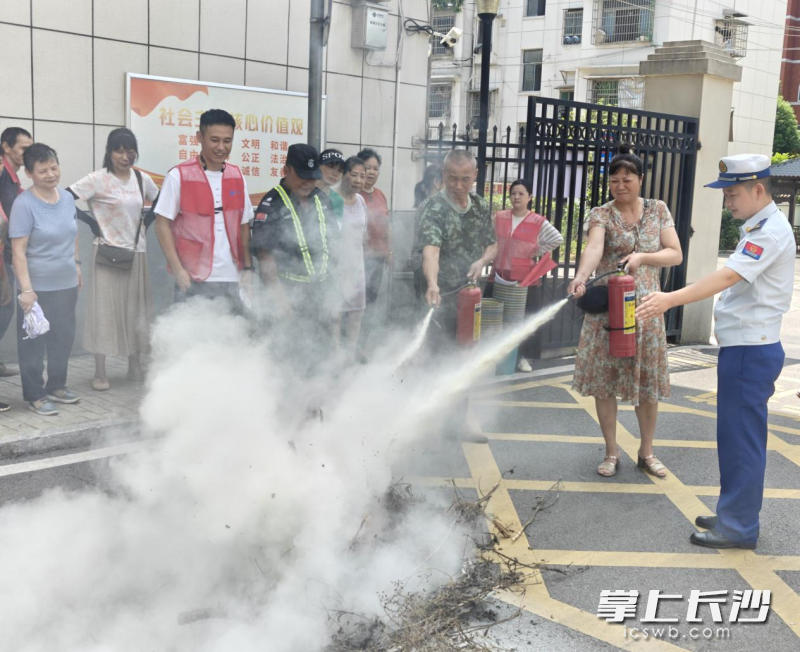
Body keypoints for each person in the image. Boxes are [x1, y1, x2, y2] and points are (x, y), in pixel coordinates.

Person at [637, 154, 793, 550]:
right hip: (745, 349)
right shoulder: (759, 226)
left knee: (741, 441)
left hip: (750, 352)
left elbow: (727, 276)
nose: (728, 202)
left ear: (759, 189)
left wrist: (669, 299)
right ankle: (732, 513)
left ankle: (739, 527)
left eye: (733, 193)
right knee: (734, 438)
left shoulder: (768, 232)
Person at [567, 144, 683, 478]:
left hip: (646, 309)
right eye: (614, 179)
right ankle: (611, 452)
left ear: (640, 180)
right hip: (609, 312)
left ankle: (646, 452)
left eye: (627, 178)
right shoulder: (600, 214)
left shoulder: (658, 210)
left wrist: (643, 257)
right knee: (605, 382)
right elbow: (594, 247)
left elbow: (674, 253)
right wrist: (580, 276)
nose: (620, 184)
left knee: (646, 383)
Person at [69, 128, 159, 391]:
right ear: (109, 152)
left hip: (136, 253)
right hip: (106, 253)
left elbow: (162, 200)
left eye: (130, 150)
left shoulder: (142, 179)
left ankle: (135, 365)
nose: (125, 156)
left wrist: (148, 222)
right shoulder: (97, 179)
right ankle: (100, 372)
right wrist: (90, 222)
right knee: (103, 312)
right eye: (119, 150)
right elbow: (64, 197)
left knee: (136, 311)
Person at [419, 149, 498, 443]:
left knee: (465, 358)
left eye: (465, 179)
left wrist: (482, 261)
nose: (458, 185)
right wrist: (432, 283)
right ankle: (426, 422)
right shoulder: (433, 208)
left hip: (469, 298)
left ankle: (459, 422)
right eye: (452, 178)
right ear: (443, 175)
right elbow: (431, 249)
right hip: (438, 296)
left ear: (475, 177)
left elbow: (492, 245)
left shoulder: (480, 206)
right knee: (436, 360)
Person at [252, 144, 339, 378]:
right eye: (302, 176)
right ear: (287, 170)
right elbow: (265, 256)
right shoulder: (272, 204)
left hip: (320, 294)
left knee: (319, 354)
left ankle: (314, 405)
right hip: (288, 294)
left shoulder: (322, 200)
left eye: (313, 178)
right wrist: (279, 299)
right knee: (288, 357)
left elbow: (334, 245)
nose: (308, 183)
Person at [154, 109, 254, 308]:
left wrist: (249, 269)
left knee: (234, 335)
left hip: (232, 276)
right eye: (214, 140)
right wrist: (178, 269)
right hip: (193, 277)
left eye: (227, 141)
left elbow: (244, 226)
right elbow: (161, 224)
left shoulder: (237, 176)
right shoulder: (179, 175)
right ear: (199, 137)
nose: (221, 147)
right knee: (194, 336)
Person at [10, 144, 82, 416]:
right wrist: (26, 290)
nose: (51, 174)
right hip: (37, 289)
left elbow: (73, 233)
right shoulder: (24, 205)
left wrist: (76, 264)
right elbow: (18, 251)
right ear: (29, 173)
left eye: (54, 167)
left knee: (62, 338)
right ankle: (35, 394)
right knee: (33, 343)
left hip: (66, 283)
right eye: (42, 170)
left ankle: (57, 385)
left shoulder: (65, 198)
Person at [489, 179, 564, 372]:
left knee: (523, 319)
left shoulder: (537, 221)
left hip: (525, 279)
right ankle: (493, 357)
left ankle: (521, 357)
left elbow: (557, 238)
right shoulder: (500, 217)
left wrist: (536, 250)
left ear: (529, 197)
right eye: (514, 193)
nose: (516, 197)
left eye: (521, 193)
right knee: (496, 318)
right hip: (498, 274)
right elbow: (489, 239)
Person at [0, 126, 33, 379]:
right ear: (6, 147)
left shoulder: (13, 178)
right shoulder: (2, 172)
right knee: (5, 306)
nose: (28, 152)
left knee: (5, 306)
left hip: (5, 252)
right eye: (23, 148)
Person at [356, 148, 392, 359]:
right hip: (358, 259)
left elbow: (387, 224)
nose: (371, 172)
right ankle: (350, 345)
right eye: (367, 168)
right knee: (356, 304)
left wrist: (390, 251)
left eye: (375, 168)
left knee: (371, 303)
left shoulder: (380, 195)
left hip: (378, 258)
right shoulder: (354, 194)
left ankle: (362, 346)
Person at [335, 156, 368, 363]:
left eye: (362, 176)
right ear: (343, 174)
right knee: (336, 312)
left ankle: (351, 352)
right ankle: (336, 353)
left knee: (356, 311)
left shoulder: (361, 201)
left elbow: (363, 233)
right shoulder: (331, 198)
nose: (358, 180)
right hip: (336, 265)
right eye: (354, 174)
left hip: (357, 264)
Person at [318, 149, 345, 229]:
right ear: (318, 166)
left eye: (340, 170)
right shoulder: (305, 192)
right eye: (331, 167)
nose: (335, 173)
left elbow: (336, 230)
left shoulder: (337, 199)